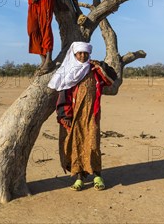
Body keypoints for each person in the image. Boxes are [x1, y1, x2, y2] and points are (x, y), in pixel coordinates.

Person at [48, 41, 116, 191]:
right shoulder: (67, 72)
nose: (83, 56)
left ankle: (97, 175)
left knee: (93, 144)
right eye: (80, 53)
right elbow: (63, 95)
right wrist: (65, 115)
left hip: (92, 114)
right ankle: (79, 177)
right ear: (74, 54)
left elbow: (112, 78)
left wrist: (101, 65)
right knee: (75, 145)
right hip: (74, 116)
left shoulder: (94, 69)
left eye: (85, 53)